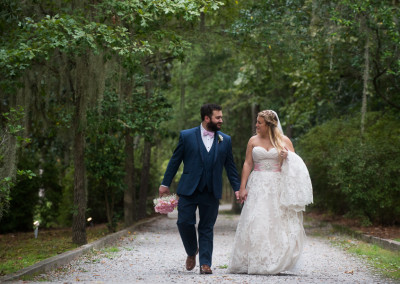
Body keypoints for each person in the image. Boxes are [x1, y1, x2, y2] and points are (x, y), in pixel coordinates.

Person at [159, 103, 241, 274]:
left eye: (221, 117)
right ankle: (191, 251)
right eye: (218, 117)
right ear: (206, 118)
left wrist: (237, 188)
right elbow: (175, 161)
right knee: (184, 222)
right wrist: (165, 184)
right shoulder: (186, 136)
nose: (221, 120)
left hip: (211, 190)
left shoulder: (225, 140)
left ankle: (205, 264)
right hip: (188, 189)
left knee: (206, 227)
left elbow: (231, 168)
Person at [228, 110, 313, 275]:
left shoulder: (284, 141)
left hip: (277, 185)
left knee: (277, 221)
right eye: (257, 122)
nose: (256, 125)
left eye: (259, 123)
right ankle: (254, 259)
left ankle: (276, 260)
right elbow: (247, 163)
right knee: (257, 219)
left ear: (269, 125)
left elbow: (296, 165)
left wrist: (287, 155)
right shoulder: (253, 140)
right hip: (257, 184)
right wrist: (242, 187)